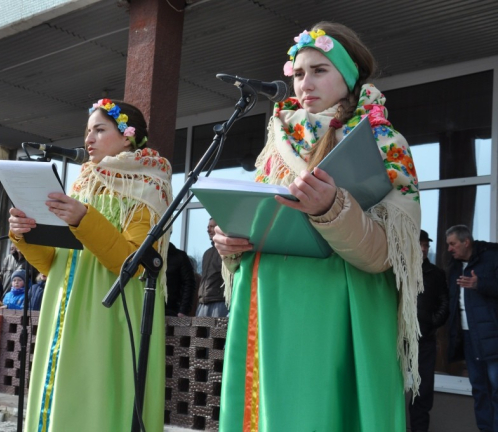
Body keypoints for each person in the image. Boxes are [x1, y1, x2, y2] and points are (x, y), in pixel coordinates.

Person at [212, 22, 422, 431]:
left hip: (337, 312)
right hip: (267, 309)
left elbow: (387, 254)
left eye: (319, 70)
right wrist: (229, 242)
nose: (305, 83)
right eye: (298, 73)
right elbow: (259, 222)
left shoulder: (384, 143)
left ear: (348, 76)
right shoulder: (276, 147)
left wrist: (331, 209)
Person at [8, 99, 171, 431]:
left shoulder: (148, 184)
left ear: (127, 136)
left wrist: (84, 218)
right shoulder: (82, 183)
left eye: (99, 130)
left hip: (112, 310)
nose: (88, 139)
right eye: (87, 131)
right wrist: (23, 234)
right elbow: (53, 264)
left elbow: (133, 263)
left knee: (97, 400)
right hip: (63, 305)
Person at [446, 224, 498, 432]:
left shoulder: (492, 257)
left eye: (452, 244)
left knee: (496, 388)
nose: (449, 249)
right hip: (467, 336)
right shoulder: (454, 266)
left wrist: (480, 284)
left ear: (466, 242)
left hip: (492, 335)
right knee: (479, 389)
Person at [409, 229, 449, 432]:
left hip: (424, 340)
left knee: (423, 391)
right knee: (390, 386)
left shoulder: (436, 273)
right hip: (397, 339)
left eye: (426, 245)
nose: (424, 249)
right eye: (420, 244)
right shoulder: (396, 269)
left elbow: (444, 303)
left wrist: (432, 322)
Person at [196, 218, 227, 317]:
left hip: (220, 303)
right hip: (203, 304)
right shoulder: (207, 253)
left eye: (212, 226)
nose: (208, 230)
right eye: (208, 227)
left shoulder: (227, 252)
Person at [165, 243, 196, 317]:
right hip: (145, 307)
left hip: (171, 311)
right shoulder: (145, 253)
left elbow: (189, 283)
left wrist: (183, 310)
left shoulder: (179, 256)